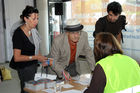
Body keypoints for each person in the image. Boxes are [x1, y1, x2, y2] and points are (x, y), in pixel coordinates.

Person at [9, 6, 48, 93]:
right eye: (34, 19)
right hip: (24, 67)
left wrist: (41, 59)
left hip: (32, 65)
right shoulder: (18, 34)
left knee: (32, 89)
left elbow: (36, 47)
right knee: (27, 90)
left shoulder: (33, 30)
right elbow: (17, 57)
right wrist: (35, 57)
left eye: (37, 18)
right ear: (26, 19)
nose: (37, 21)